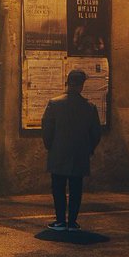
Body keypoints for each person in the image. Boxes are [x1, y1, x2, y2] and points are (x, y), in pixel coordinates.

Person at [42, 69, 102, 231]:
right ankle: (73, 222)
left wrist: (50, 146)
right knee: (76, 189)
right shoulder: (90, 107)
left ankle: (60, 221)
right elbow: (96, 133)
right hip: (79, 154)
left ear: (67, 83)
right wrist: (88, 149)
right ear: (82, 86)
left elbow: (47, 129)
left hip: (58, 153)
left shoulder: (54, 104)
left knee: (58, 188)